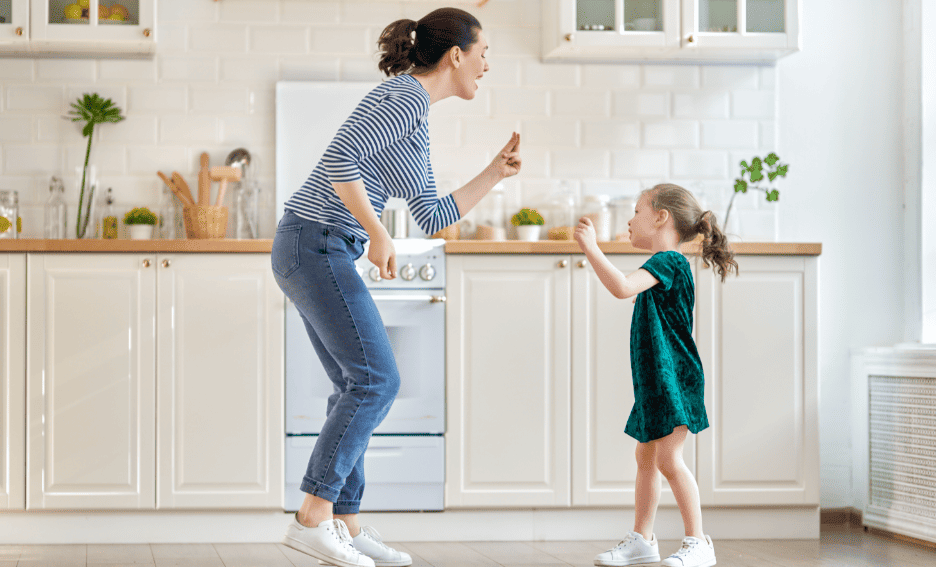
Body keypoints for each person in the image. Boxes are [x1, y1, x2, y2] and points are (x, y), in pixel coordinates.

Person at [274, 7, 521, 567]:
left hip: (316, 245)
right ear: (456, 54)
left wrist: (493, 171)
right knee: (377, 380)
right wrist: (378, 230)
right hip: (314, 241)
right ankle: (313, 517)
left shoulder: (416, 116)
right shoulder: (404, 98)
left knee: (353, 383)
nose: (486, 67)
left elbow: (432, 216)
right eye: (483, 55)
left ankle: (346, 523)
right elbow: (339, 161)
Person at [574, 184, 737, 567]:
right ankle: (642, 540)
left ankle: (699, 542)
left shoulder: (669, 261)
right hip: (654, 382)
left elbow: (621, 287)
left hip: (673, 381)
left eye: (636, 211)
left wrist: (591, 248)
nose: (629, 220)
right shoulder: (663, 269)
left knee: (667, 460)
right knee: (646, 457)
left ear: (661, 216)